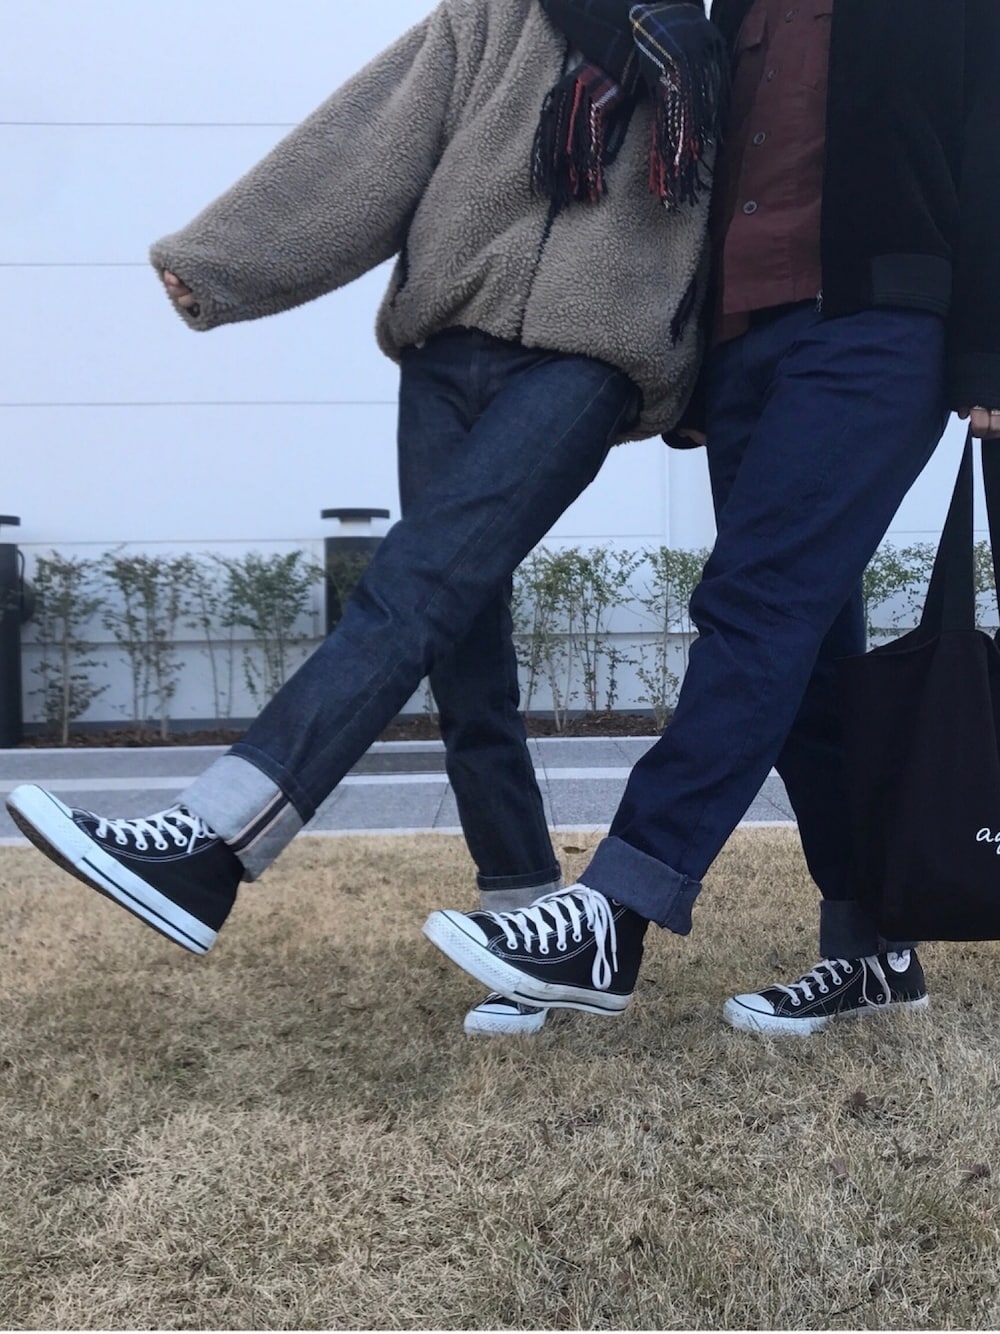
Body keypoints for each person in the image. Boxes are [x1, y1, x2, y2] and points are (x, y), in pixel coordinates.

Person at [5, 1, 727, 1036]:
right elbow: (369, 143)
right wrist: (225, 258)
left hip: (588, 364)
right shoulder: (494, 18)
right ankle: (523, 920)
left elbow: (732, 223)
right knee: (463, 651)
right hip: (444, 351)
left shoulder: (700, 50)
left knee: (413, 586)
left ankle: (212, 842)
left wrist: (709, 387)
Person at [423, 0, 1000, 1035]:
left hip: (877, 324)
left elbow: (988, 132)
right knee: (806, 660)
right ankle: (870, 946)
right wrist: (691, 374)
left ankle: (615, 912)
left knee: (754, 605)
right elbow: (705, 169)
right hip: (744, 341)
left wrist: (987, 352)